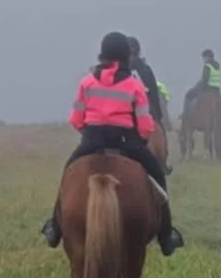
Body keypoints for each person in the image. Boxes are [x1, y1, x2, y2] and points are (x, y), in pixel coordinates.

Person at [40, 31, 184, 254]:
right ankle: (166, 236)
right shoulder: (134, 86)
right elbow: (146, 126)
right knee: (158, 177)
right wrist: (139, 139)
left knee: (67, 174)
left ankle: (55, 227)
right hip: (128, 142)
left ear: (101, 56)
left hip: (92, 141)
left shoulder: (87, 82)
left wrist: (89, 134)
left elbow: (76, 120)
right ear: (127, 57)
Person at [128, 36, 168, 129]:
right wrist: (158, 116)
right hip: (146, 114)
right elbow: (153, 94)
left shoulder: (120, 70)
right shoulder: (145, 69)